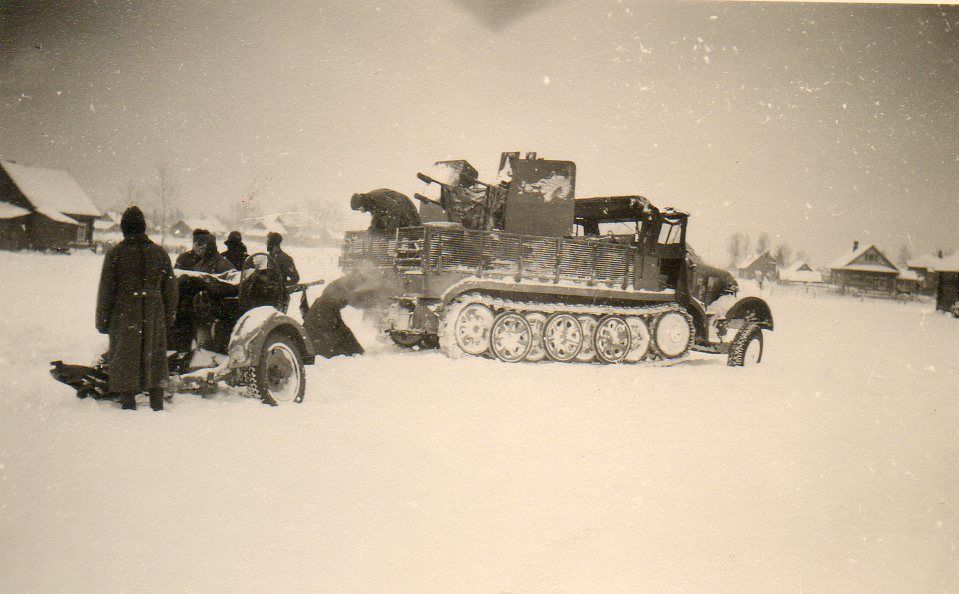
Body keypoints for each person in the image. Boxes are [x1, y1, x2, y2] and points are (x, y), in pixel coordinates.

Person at [96, 206, 178, 411]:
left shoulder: (115, 254)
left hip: (124, 313)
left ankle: (129, 405)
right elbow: (171, 290)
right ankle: (156, 405)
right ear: (144, 227)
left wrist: (102, 321)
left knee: (125, 355)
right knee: (156, 355)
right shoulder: (160, 253)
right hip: (154, 312)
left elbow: (105, 291)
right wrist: (168, 317)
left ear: (124, 228)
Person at [350, 188, 421, 234]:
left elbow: (395, 210)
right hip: (399, 211)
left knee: (412, 232)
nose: (361, 211)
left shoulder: (378, 197)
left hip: (406, 210)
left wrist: (390, 229)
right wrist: (372, 229)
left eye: (359, 209)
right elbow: (377, 217)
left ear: (362, 203)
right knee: (382, 230)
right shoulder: (371, 202)